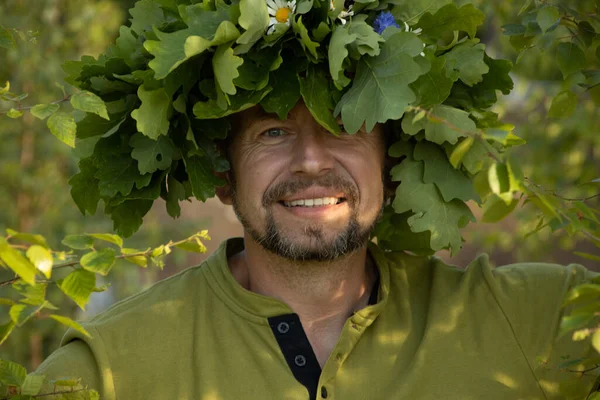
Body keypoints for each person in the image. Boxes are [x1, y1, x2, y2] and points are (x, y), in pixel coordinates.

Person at [36, 100, 599, 399]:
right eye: (273, 131)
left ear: (392, 163)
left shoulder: (531, 322)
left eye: (345, 125)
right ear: (223, 174)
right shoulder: (109, 370)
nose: (310, 160)